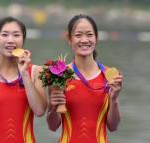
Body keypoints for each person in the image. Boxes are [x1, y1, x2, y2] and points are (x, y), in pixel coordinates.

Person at [47, 14, 123, 143]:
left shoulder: (110, 75)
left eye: (89, 34)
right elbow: (53, 126)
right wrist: (53, 107)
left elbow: (113, 126)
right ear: (69, 39)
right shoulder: (58, 75)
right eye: (78, 35)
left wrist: (114, 99)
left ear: (96, 38)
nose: (84, 40)